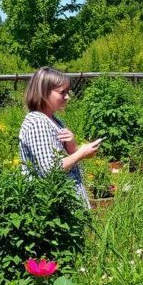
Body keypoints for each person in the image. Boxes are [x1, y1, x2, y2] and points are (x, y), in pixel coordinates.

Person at [18, 66, 102, 208]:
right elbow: (51, 171)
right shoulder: (37, 123)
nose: (67, 97)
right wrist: (81, 153)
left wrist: (73, 146)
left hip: (63, 206)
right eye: (62, 92)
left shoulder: (54, 120)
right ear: (43, 93)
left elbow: (61, 158)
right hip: (51, 211)